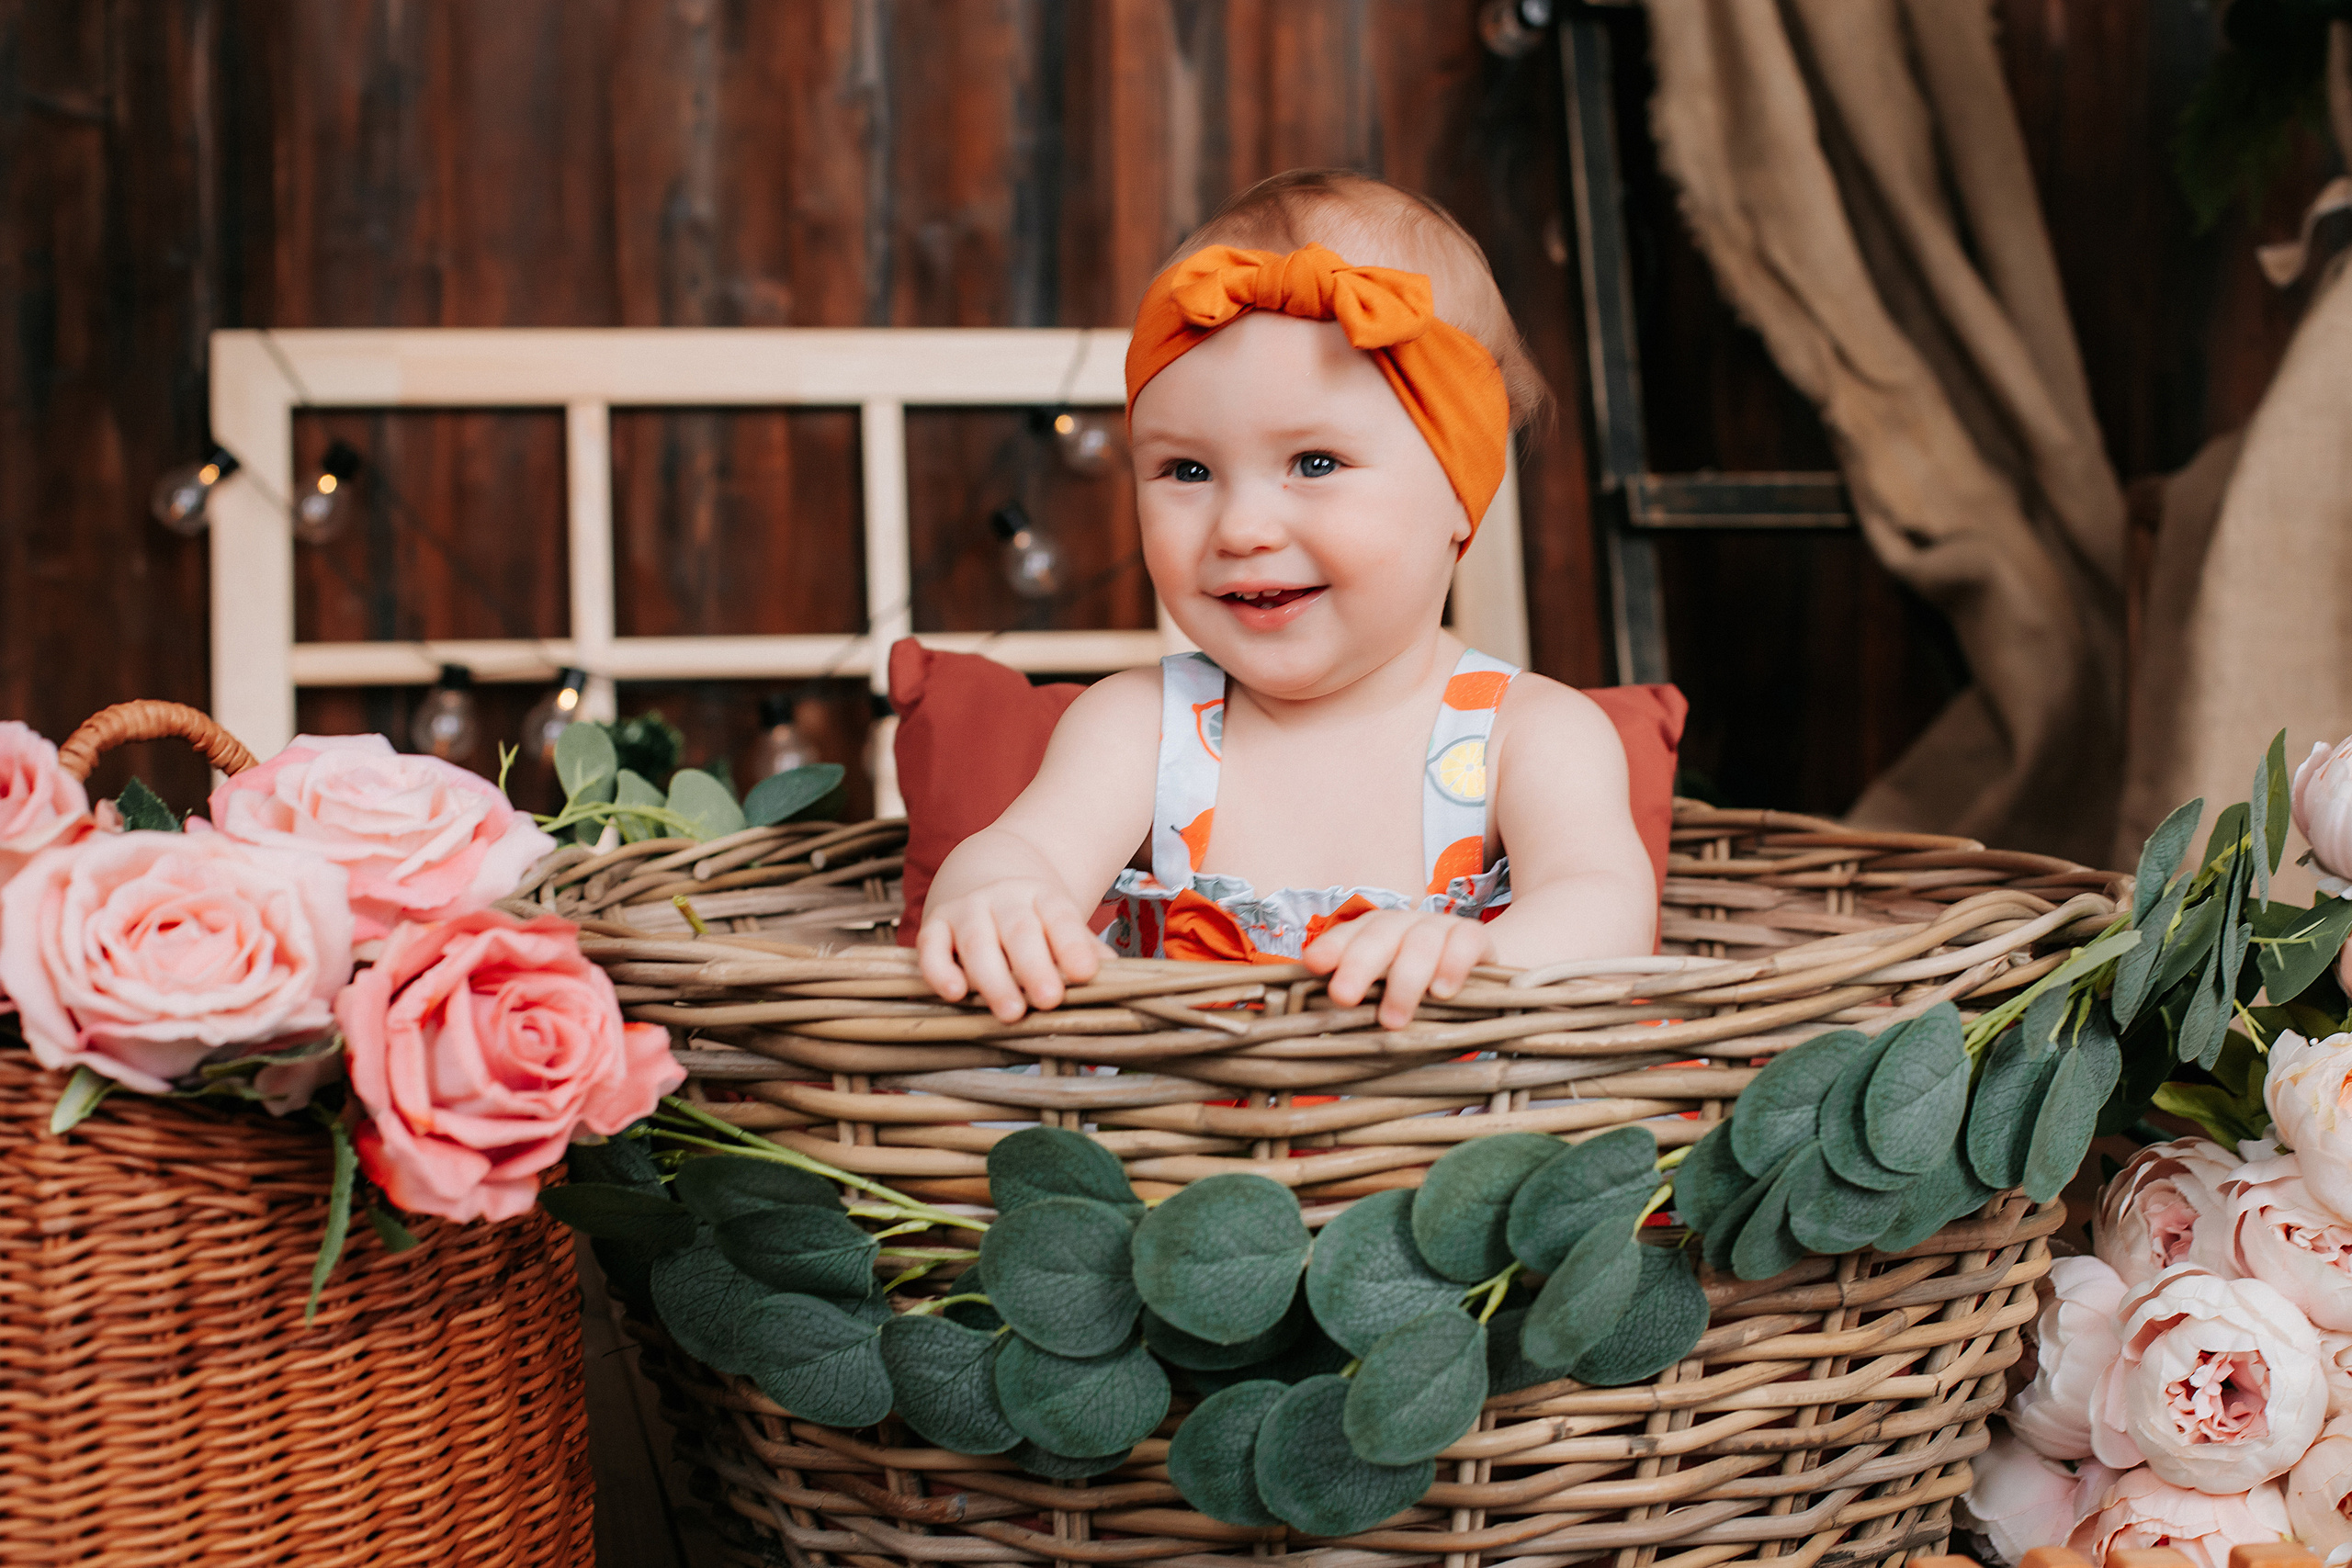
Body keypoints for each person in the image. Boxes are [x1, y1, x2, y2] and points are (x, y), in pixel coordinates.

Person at [919, 170, 1656, 1030]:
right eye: (1187, 471)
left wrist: (1487, 957)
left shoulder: (1528, 734)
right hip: (1171, 1138)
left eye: (1314, 463)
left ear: (1459, 495)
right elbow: (1025, 848)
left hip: (1437, 1138)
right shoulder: (1141, 724)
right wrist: (994, 897)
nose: (1243, 526)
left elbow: (1603, 902)